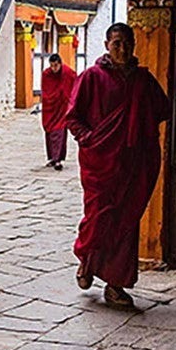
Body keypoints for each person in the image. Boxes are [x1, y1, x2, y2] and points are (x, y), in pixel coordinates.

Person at [65, 22, 169, 308]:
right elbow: (72, 117)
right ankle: (87, 261)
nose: (123, 49)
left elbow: (162, 109)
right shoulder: (92, 77)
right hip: (101, 163)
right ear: (107, 46)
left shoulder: (143, 81)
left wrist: (138, 130)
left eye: (127, 43)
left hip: (133, 164)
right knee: (98, 217)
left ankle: (115, 285)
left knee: (126, 223)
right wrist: (90, 139)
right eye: (117, 43)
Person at [37, 52, 73, 169]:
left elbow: (75, 84)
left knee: (59, 132)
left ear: (60, 64)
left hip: (62, 107)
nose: (54, 68)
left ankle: (58, 159)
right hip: (50, 108)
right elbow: (45, 91)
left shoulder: (67, 73)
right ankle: (52, 158)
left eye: (56, 66)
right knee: (50, 132)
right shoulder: (46, 74)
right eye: (52, 66)